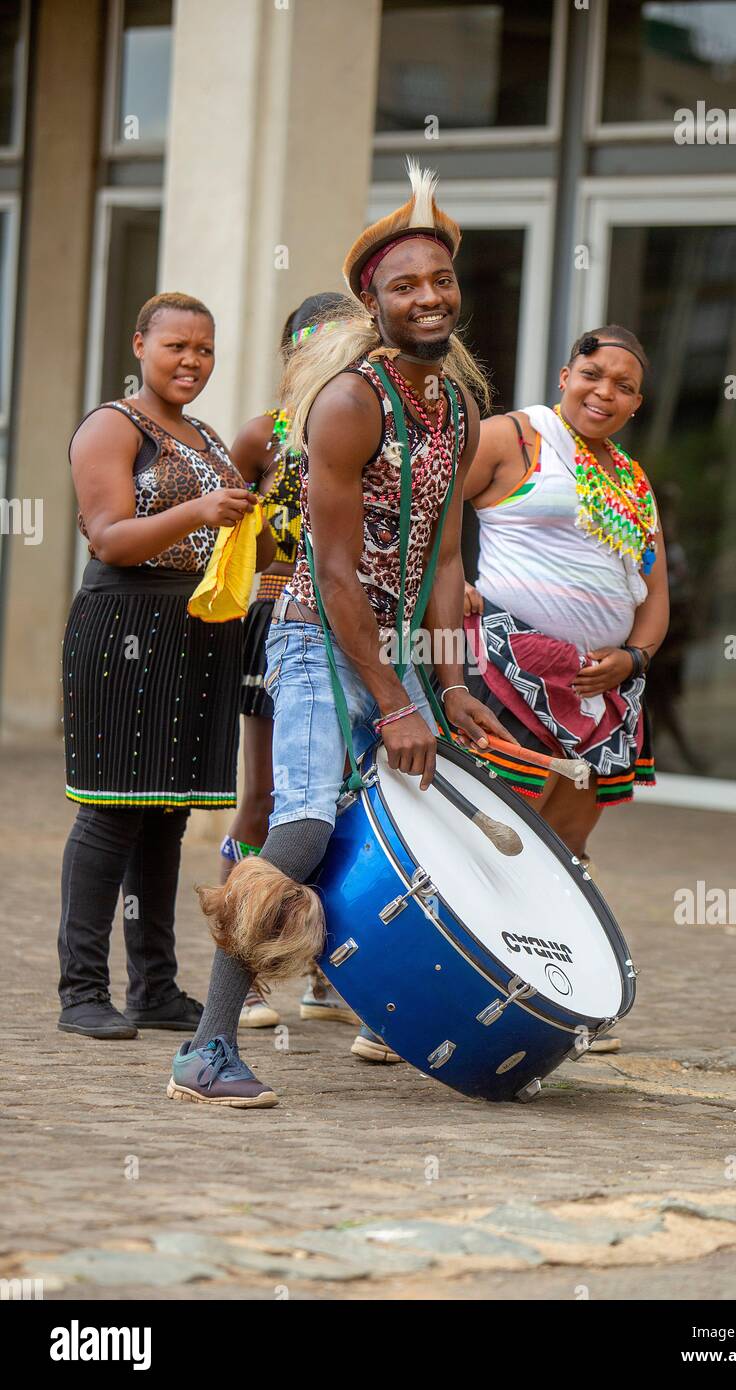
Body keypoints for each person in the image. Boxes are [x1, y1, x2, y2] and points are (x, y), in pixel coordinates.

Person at [166, 162, 508, 1106]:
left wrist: (449, 682)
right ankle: (205, 1049)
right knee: (307, 818)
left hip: (392, 645)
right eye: (406, 285)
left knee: (398, 821)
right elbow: (332, 569)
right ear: (373, 300)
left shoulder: (463, 409)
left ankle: (399, 1018)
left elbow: (442, 560)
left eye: (440, 280)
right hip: (316, 631)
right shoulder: (349, 403)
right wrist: (397, 701)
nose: (428, 297)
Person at [59, 291, 273, 1040]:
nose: (192, 361)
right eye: (176, 346)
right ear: (139, 344)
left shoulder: (209, 436)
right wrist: (198, 512)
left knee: (165, 817)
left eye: (205, 350)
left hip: (197, 629)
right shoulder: (111, 426)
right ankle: (81, 990)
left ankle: (154, 988)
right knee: (112, 812)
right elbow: (110, 537)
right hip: (126, 621)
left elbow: (235, 536)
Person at [462, 327, 669, 1048]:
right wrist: (447, 594)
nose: (603, 392)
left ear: (637, 404)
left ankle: (555, 997)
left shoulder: (633, 480)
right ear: (564, 374)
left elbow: (654, 594)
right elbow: (425, 523)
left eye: (622, 385)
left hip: (605, 692)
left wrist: (635, 659)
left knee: (570, 840)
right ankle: (448, 995)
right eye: (592, 374)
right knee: (498, 832)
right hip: (509, 666)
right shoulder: (512, 437)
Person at [218, 291, 357, 1031]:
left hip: (356, 622)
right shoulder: (262, 437)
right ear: (288, 355)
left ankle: (332, 974)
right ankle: (241, 968)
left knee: (346, 799)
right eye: (308, 345)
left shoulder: (365, 424)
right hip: (278, 616)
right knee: (266, 794)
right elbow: (230, 539)